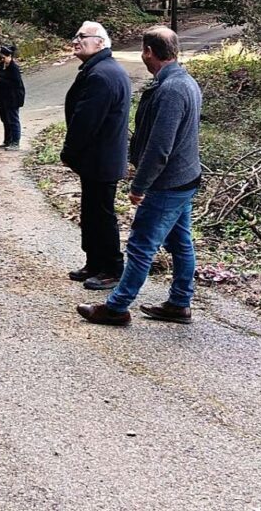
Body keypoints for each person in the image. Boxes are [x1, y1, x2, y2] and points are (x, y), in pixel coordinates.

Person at [76, 26, 202, 326]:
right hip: (185, 178)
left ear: (148, 52)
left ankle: (116, 308)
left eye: (142, 51)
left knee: (141, 246)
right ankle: (179, 303)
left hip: (168, 183)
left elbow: (160, 148)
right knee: (180, 243)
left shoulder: (171, 90)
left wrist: (139, 186)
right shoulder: (184, 81)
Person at [62, 21, 132, 289]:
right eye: (75, 36)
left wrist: (69, 152)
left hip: (102, 158)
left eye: (82, 37)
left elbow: (85, 121)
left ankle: (112, 269)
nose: (76, 41)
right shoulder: (101, 69)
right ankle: (94, 262)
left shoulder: (102, 74)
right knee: (92, 212)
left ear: (100, 42)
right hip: (98, 157)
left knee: (102, 214)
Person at [0, 44, 25, 150]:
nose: (2, 60)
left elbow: (16, 83)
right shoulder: (0, 66)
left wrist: (0, 80)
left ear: (10, 56)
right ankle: (7, 141)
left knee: (13, 120)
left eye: (4, 57)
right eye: (0, 58)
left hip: (12, 97)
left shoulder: (14, 68)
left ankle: (15, 143)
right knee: (5, 120)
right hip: (2, 97)